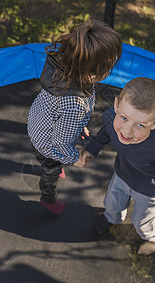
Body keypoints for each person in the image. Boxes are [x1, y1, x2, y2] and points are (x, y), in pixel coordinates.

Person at [79, 77, 155, 255]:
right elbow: (105, 134)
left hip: (150, 190)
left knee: (142, 220)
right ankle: (111, 219)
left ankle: (150, 237)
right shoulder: (111, 117)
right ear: (116, 106)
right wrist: (91, 150)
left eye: (140, 125)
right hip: (122, 175)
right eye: (124, 117)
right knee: (111, 204)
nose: (127, 130)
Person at [27, 18, 122, 215]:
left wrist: (78, 124)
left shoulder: (64, 64)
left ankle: (52, 165)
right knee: (50, 170)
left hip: (40, 119)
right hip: (48, 144)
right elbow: (61, 143)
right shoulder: (75, 105)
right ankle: (47, 197)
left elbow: (63, 113)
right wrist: (75, 158)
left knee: (50, 158)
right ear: (94, 73)